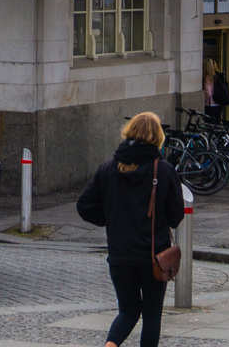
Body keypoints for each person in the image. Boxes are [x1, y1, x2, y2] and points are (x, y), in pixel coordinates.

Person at [77, 111, 185, 347]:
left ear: (130, 133)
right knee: (152, 315)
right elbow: (176, 216)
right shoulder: (164, 170)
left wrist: (112, 219)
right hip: (153, 257)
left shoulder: (107, 169)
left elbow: (84, 205)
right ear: (157, 137)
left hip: (120, 256)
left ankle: (110, 345)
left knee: (128, 311)